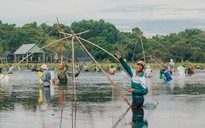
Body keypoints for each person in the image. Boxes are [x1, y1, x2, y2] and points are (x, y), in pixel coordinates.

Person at [116, 50, 148, 123]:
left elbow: (145, 91)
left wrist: (135, 91)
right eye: (138, 65)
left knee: (136, 116)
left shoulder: (142, 78)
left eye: (140, 66)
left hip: (139, 100)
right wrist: (120, 58)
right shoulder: (133, 73)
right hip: (134, 98)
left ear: (142, 68)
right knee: (135, 116)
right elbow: (126, 66)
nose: (138, 66)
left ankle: (137, 124)